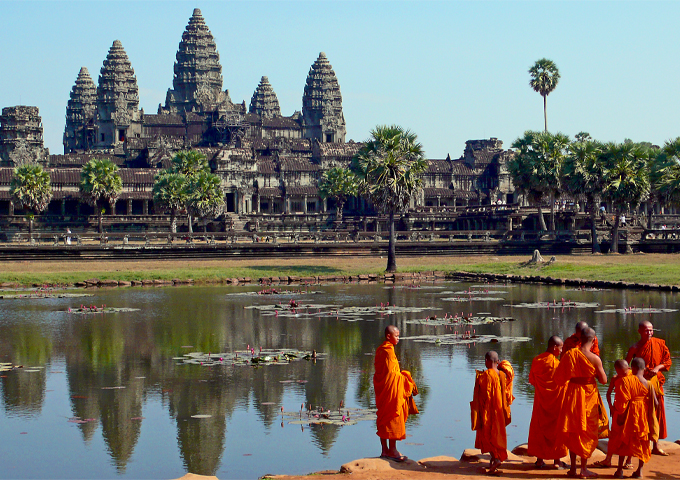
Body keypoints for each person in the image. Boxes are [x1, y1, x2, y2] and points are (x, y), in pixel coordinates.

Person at [554, 328, 607, 478]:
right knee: (586, 431)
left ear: (580, 338)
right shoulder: (595, 358)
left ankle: (573, 469)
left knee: (573, 429)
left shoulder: (570, 354)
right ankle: (583, 469)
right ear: (594, 340)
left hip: (573, 393)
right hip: (589, 394)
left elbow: (559, 379)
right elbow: (603, 380)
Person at [626, 320, 672, 455]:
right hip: (640, 385)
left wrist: (657, 368)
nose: (650, 333)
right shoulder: (634, 347)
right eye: (646, 330)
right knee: (640, 415)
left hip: (656, 382)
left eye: (651, 330)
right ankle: (638, 445)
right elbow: (626, 365)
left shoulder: (659, 344)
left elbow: (667, 361)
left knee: (657, 413)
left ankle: (656, 445)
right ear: (640, 331)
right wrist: (641, 371)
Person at [373, 325, 418, 462]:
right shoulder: (388, 352)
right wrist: (406, 377)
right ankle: (392, 450)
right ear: (388, 336)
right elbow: (393, 375)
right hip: (390, 391)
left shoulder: (380, 350)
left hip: (383, 390)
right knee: (393, 415)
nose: (398, 338)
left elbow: (381, 373)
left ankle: (384, 450)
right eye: (396, 336)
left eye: (398, 335)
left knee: (383, 417)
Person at [608, 358, 654, 479]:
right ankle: (639, 471)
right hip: (643, 417)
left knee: (624, 441)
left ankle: (619, 471)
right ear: (644, 369)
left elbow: (622, 403)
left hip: (629, 415)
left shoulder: (626, 380)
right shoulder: (649, 383)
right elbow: (656, 404)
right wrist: (652, 419)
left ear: (631, 368)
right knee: (642, 442)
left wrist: (619, 414)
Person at [527, 336, 568, 469]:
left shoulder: (537, 360)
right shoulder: (557, 364)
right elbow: (564, 383)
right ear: (555, 347)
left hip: (541, 402)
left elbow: (532, 380)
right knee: (556, 429)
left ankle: (539, 460)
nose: (561, 351)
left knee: (540, 429)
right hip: (556, 403)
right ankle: (557, 461)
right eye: (561, 348)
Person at [471, 351, 512, 475]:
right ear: (497, 361)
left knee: (488, 434)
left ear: (486, 361)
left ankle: (496, 459)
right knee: (498, 433)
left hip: (488, 411)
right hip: (500, 410)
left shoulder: (485, 375)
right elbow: (506, 393)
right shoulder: (502, 375)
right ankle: (495, 458)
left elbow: (482, 396)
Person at [594, 360, 632, 469]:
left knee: (629, 436)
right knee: (614, 436)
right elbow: (608, 393)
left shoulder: (633, 377)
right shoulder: (615, 379)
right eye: (620, 373)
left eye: (624, 373)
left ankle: (628, 461)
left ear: (628, 369)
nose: (622, 375)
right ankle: (608, 459)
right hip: (617, 410)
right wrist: (610, 406)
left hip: (630, 412)